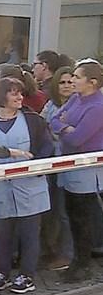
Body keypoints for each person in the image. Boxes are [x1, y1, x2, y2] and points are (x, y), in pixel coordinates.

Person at [0, 78, 54, 294]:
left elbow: (47, 146)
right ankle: (2, 272)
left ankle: (27, 274)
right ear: (2, 96)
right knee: (2, 234)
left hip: (30, 186)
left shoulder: (33, 121)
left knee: (29, 233)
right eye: (14, 93)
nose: (19, 98)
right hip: (0, 187)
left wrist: (37, 167)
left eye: (20, 94)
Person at [50, 59, 103, 283]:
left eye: (78, 77)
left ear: (91, 82)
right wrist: (65, 127)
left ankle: (83, 264)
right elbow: (52, 119)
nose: (72, 81)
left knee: (82, 219)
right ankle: (78, 262)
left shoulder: (98, 106)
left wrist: (65, 129)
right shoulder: (74, 99)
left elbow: (78, 139)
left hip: (86, 170)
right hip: (69, 165)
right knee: (72, 216)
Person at [39, 66, 76, 270]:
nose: (67, 86)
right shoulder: (51, 105)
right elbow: (44, 127)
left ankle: (67, 254)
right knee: (50, 209)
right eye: (62, 82)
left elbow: (71, 134)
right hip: (50, 161)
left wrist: (58, 128)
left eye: (71, 81)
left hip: (71, 164)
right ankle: (50, 249)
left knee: (64, 211)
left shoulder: (79, 105)